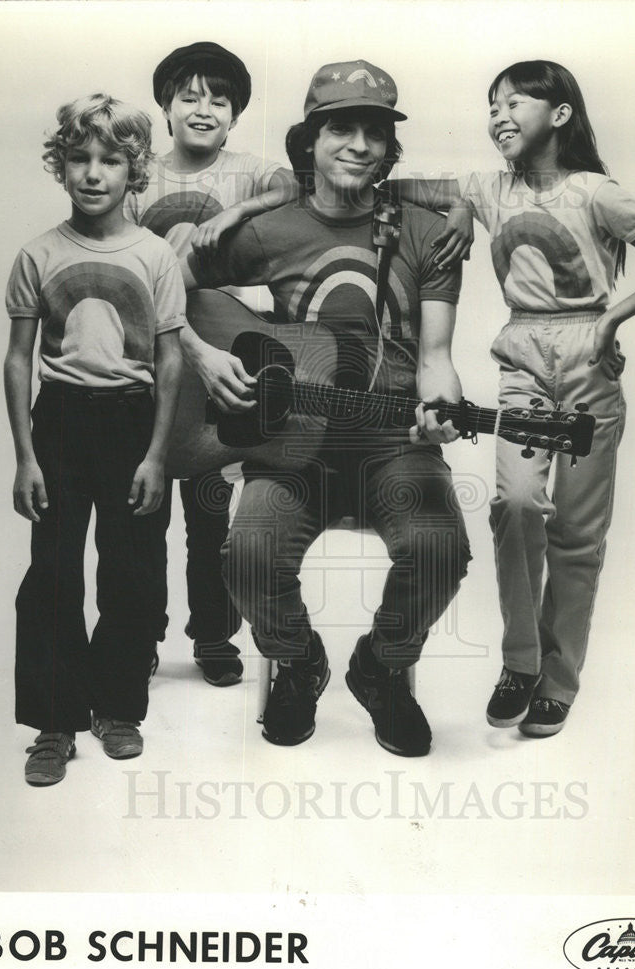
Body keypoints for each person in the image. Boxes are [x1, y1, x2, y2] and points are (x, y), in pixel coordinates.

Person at [388, 59, 635, 737]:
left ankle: (559, 684)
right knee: (517, 503)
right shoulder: (483, 187)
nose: (497, 115)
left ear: (558, 114)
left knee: (577, 536)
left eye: (513, 103)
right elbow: (394, 184)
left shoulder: (597, 193)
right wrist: (449, 203)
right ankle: (521, 661)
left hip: (588, 363)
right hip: (522, 358)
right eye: (490, 105)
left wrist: (612, 319)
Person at [181, 59, 472, 757]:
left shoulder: (429, 233)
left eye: (374, 132)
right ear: (308, 141)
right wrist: (202, 355)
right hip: (293, 443)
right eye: (341, 128)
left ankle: (382, 667)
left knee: (439, 548)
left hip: (394, 440)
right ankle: (297, 659)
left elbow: (435, 356)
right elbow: (171, 287)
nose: (359, 145)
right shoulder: (268, 231)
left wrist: (445, 407)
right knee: (247, 552)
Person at [4, 94, 185, 785]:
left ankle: (116, 708)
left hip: (134, 422)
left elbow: (169, 361)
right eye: (79, 157)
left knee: (131, 569)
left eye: (110, 159)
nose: (93, 172)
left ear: (133, 170)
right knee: (52, 573)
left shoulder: (155, 255)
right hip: (60, 422)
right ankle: (54, 722)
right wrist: (25, 454)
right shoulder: (38, 253)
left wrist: (157, 454)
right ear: (61, 165)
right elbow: (20, 357)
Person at [125, 42, 299, 686]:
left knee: (210, 506)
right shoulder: (138, 171)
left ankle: (215, 636)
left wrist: (236, 210)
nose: (204, 109)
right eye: (189, 96)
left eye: (219, 100)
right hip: (151, 360)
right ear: (165, 106)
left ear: (235, 114)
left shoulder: (250, 171)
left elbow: (290, 187)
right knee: (141, 509)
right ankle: (138, 632)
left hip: (227, 361)